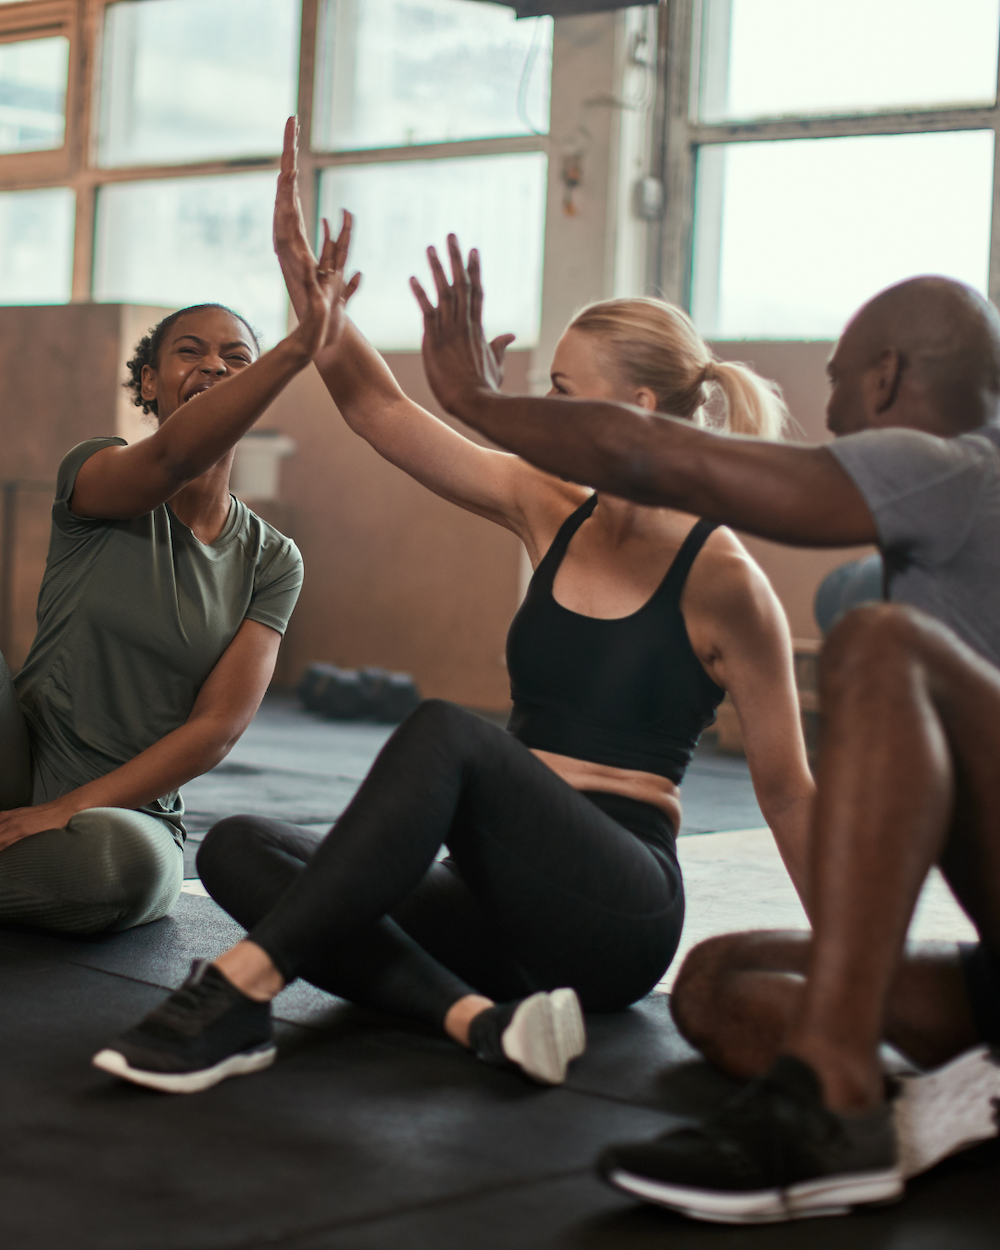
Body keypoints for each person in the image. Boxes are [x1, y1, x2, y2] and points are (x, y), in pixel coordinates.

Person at [91, 118, 815, 1095]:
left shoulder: (725, 579)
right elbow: (382, 411)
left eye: (560, 390)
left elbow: (789, 793)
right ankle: (480, 1020)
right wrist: (311, 303)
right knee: (241, 847)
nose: (537, 406)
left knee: (451, 733)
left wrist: (858, 985)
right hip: (493, 900)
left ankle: (236, 991)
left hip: (613, 910)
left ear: (637, 411)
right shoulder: (546, 501)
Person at [405, 244, 1000, 1222]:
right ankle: (930, 1103)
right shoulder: (944, 497)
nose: (830, 390)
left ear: (888, 373)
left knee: (879, 642)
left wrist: (477, 397)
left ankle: (832, 1099)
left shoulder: (952, 465)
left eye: (843, 364)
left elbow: (656, 456)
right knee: (715, 986)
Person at [0, 191, 350, 936]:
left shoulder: (272, 560)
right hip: (19, 760)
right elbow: (174, 454)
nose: (215, 366)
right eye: (189, 352)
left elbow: (217, 728)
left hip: (129, 818)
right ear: (149, 383)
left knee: (110, 871)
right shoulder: (98, 475)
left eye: (237, 358)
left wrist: (68, 810)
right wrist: (297, 347)